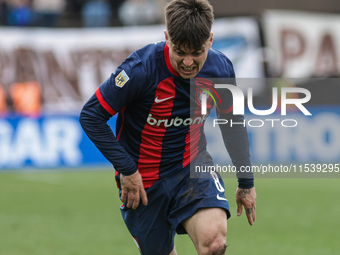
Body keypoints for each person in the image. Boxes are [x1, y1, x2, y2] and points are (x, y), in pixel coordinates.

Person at [79, 0, 256, 254]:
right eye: (180, 52)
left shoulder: (221, 69)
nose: (187, 62)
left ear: (210, 40)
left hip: (192, 166)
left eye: (196, 52)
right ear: (166, 38)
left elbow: (232, 124)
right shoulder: (140, 70)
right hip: (143, 181)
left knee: (215, 243)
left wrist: (246, 182)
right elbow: (91, 115)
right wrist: (127, 169)